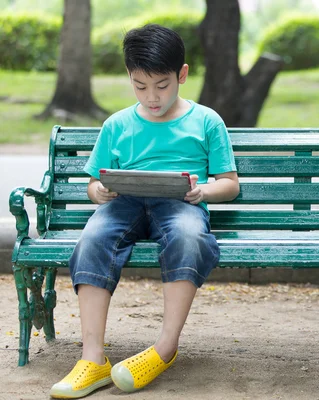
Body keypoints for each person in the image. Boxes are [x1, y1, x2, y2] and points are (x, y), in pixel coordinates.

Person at [49, 24, 240, 399]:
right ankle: (93, 360)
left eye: (162, 85)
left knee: (188, 236)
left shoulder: (206, 121)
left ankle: (164, 350)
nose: (152, 97)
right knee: (92, 239)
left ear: (181, 74)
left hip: (180, 203)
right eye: (140, 86)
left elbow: (230, 183)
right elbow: (94, 183)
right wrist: (99, 191)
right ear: (129, 78)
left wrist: (203, 190)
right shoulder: (117, 124)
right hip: (125, 203)